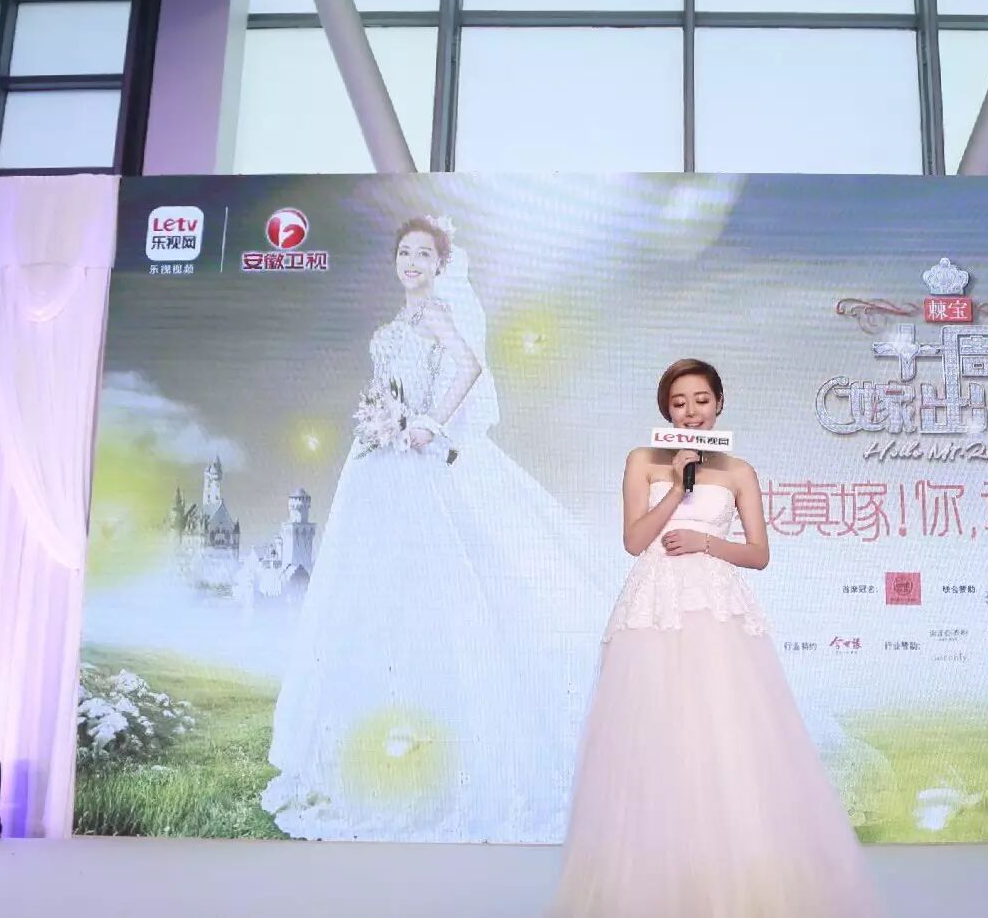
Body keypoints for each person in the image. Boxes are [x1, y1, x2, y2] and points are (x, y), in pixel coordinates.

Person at [261, 215, 603, 843]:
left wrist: (429, 424)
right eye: (404, 253)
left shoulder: (438, 315)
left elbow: (470, 366)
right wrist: (380, 418)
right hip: (374, 464)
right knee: (371, 598)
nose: (412, 263)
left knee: (432, 594)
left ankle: (443, 747)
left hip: (413, 462)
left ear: (441, 266)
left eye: (423, 254)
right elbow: (385, 385)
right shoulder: (395, 323)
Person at [549, 358, 886, 916]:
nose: (691, 411)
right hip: (654, 607)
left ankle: (735, 880)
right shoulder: (643, 460)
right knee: (650, 735)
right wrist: (674, 489)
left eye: (701, 400)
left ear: (720, 403)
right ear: (666, 410)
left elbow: (758, 553)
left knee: (724, 732)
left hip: (716, 606)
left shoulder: (738, 472)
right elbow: (634, 540)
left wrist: (704, 543)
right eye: (679, 402)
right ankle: (649, 885)